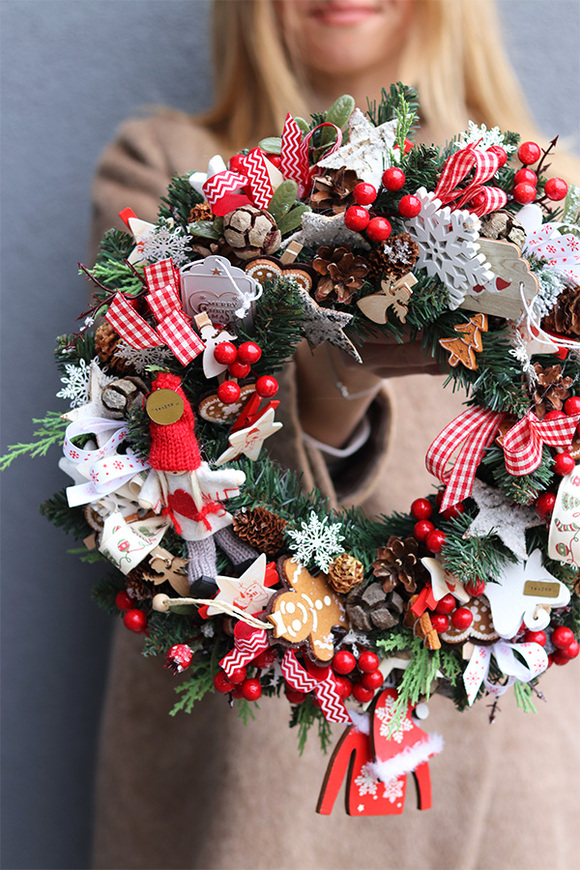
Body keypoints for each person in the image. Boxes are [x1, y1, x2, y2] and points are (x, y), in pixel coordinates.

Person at [91, 2, 579, 867]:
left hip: (502, 772)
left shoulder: (547, 209)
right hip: (258, 783)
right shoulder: (167, 183)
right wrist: (326, 393)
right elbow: (158, 463)